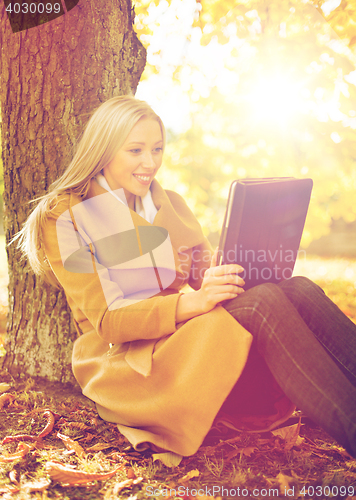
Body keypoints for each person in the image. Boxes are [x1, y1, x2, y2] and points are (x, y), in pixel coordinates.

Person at [17, 95, 356, 459]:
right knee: (263, 303)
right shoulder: (65, 213)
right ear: (104, 150)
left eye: (157, 149)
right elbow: (107, 322)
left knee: (297, 288)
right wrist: (193, 300)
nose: (150, 163)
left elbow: (204, 275)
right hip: (133, 361)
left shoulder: (171, 203)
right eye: (135, 151)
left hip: (193, 342)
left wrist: (227, 272)